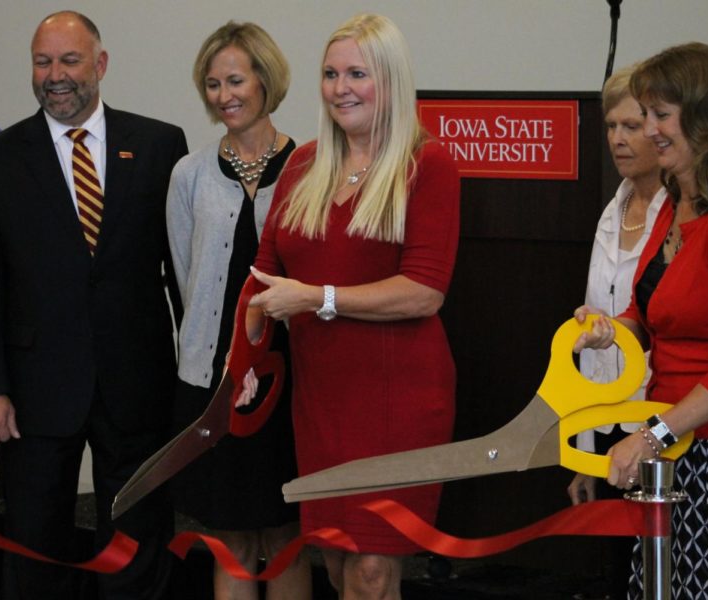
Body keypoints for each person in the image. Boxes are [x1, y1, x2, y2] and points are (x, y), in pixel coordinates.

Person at [0, 11, 187, 600]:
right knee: (33, 547)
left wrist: (200, 380)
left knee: (138, 544)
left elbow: (182, 274)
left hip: (136, 386)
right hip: (33, 395)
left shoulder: (161, 146)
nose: (55, 76)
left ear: (100, 65)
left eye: (69, 60)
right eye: (42, 62)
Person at [246, 13, 459, 600]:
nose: (341, 87)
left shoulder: (427, 164)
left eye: (358, 73)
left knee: (371, 568)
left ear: (390, 81)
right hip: (323, 397)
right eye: (331, 73)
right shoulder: (302, 164)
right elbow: (262, 280)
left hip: (397, 396)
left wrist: (320, 298)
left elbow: (425, 290)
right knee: (338, 564)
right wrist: (243, 362)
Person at [573, 42, 708, 598]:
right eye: (647, 115)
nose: (650, 129)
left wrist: (651, 436)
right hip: (672, 445)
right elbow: (651, 311)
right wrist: (608, 328)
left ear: (705, 120)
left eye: (661, 115)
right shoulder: (674, 204)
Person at [166, 21, 310, 600]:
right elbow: (184, 277)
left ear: (264, 81)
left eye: (234, 80)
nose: (223, 95)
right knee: (229, 536)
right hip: (214, 380)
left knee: (286, 533)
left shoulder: (311, 171)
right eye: (211, 83)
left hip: (293, 381)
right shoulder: (188, 175)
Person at [565, 64, 666, 598]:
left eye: (632, 125)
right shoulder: (613, 209)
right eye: (611, 126)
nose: (618, 139)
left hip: (661, 420)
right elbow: (594, 342)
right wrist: (585, 451)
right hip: (605, 420)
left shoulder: (680, 213)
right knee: (615, 571)